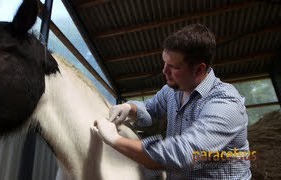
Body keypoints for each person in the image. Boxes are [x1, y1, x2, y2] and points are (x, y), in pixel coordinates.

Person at [92, 24, 252, 179]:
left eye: (174, 67)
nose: (164, 71)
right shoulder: (172, 91)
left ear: (199, 69)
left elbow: (183, 153)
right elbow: (150, 108)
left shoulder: (226, 103)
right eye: (164, 62)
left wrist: (115, 139)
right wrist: (130, 108)